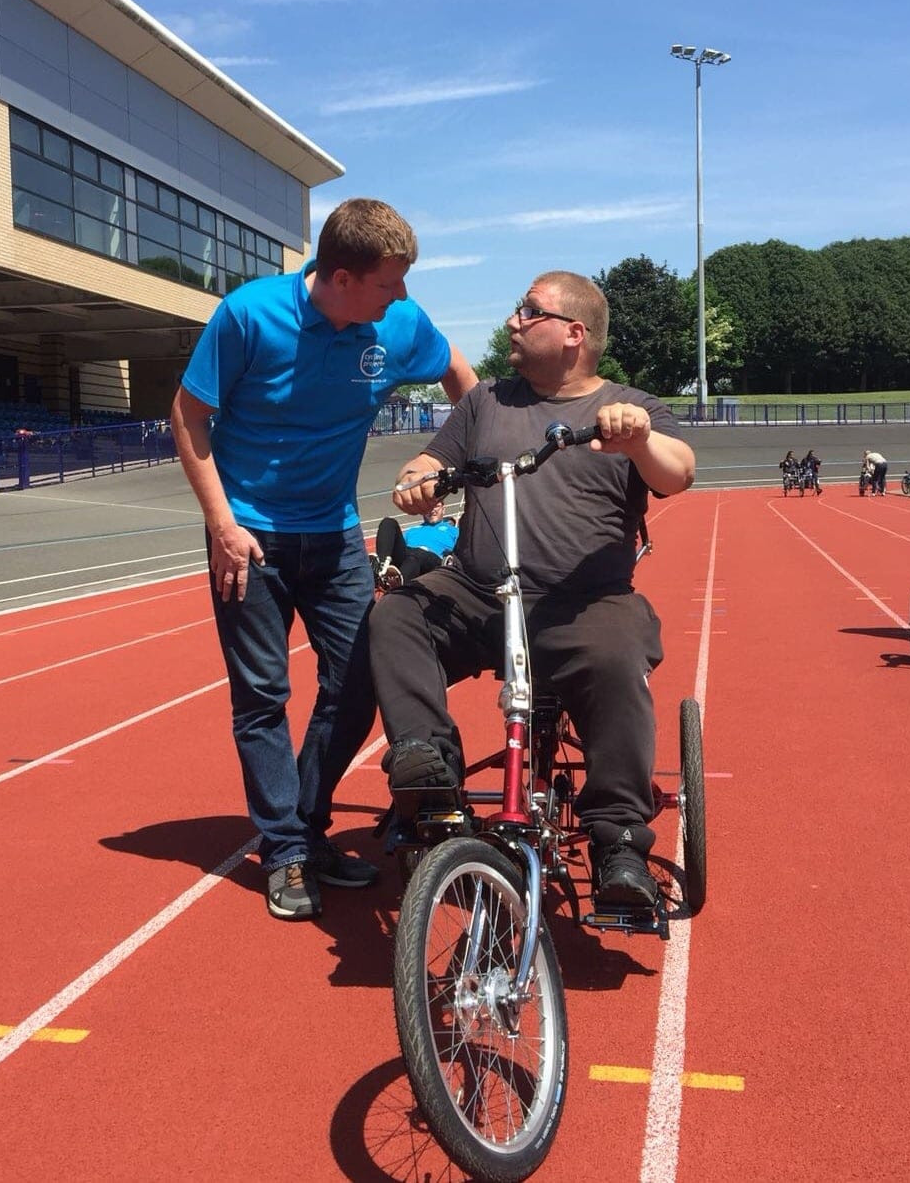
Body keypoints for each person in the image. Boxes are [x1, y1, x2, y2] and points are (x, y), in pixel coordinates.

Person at [170, 197, 478, 922]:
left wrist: (448, 456)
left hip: (337, 535)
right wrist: (220, 522)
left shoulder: (395, 324)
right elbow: (188, 415)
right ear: (341, 277)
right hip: (251, 537)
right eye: (388, 282)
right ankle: (283, 850)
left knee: (361, 680)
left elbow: (462, 377)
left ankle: (303, 827)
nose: (401, 296)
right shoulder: (248, 316)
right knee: (262, 697)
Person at [369, 271, 695, 908]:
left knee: (617, 655)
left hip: (584, 602)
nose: (513, 321)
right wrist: (418, 478)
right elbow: (431, 460)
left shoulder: (631, 406)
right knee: (397, 617)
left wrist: (639, 439)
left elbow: (678, 473)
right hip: (477, 592)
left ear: (574, 333)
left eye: (529, 311)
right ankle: (428, 774)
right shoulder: (486, 400)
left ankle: (619, 841)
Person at [370, 498, 458, 589]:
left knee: (417, 554)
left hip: (434, 560)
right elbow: (401, 550)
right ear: (422, 511)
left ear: (443, 509)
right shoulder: (412, 530)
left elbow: (462, 553)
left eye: (436, 506)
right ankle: (380, 567)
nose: (432, 510)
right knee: (388, 522)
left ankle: (398, 585)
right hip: (410, 556)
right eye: (428, 507)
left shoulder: (454, 531)